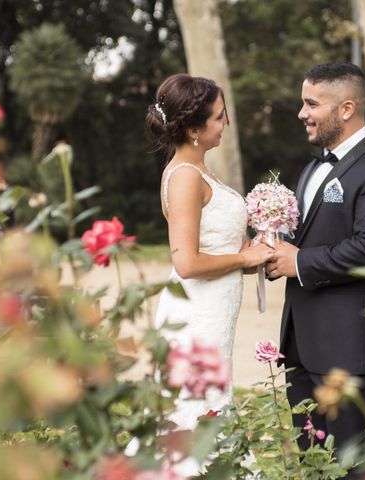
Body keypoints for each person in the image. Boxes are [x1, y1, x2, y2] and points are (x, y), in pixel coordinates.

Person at [265, 62, 365, 472]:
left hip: (352, 351)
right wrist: (271, 251)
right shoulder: (312, 168)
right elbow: (306, 242)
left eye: (311, 104)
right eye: (302, 102)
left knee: (356, 468)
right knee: (314, 465)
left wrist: (300, 261)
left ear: (346, 109)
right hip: (302, 346)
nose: (302, 113)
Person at [146, 74, 274, 430]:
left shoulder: (200, 168)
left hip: (215, 304)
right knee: (195, 406)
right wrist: (244, 258)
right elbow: (186, 262)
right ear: (193, 130)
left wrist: (250, 254)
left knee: (210, 399)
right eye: (219, 116)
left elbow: (212, 247)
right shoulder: (186, 175)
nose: (226, 123)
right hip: (197, 310)